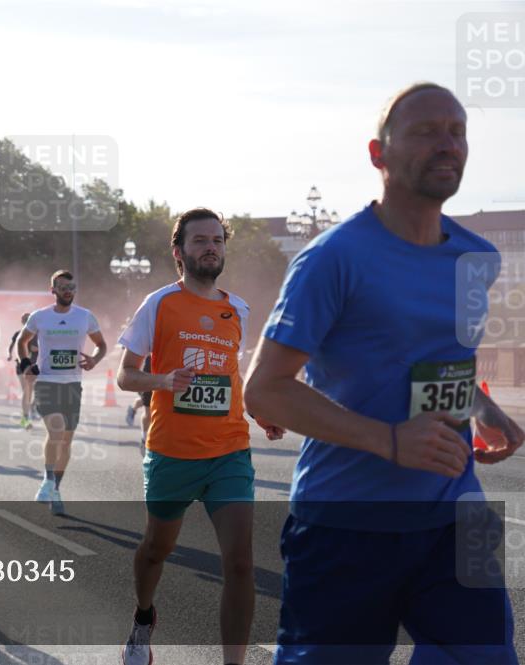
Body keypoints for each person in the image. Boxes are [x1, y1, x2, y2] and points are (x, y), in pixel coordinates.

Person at [244, 83, 523, 664]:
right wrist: (389, 440)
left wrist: (484, 409)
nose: (447, 144)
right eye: (425, 131)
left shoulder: (478, 258)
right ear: (379, 155)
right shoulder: (334, 258)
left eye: (457, 131)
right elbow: (264, 391)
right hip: (347, 526)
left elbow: (437, 358)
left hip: (452, 516)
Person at [117, 208, 282, 665]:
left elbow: (233, 378)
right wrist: (164, 381)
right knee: (156, 551)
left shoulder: (239, 310)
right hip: (171, 452)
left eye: (217, 240)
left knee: (241, 562)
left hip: (229, 450)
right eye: (200, 241)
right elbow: (125, 377)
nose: (211, 247)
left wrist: (260, 412)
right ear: (179, 252)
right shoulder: (159, 304)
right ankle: (143, 618)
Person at [17, 270, 107, 515]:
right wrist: (27, 365)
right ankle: (47, 480)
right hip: (47, 382)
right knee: (55, 429)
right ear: (53, 290)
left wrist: (94, 360)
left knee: (66, 441)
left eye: (71, 286)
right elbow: (22, 342)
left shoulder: (85, 317)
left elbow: (102, 345)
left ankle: (54, 488)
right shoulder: (40, 317)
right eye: (62, 286)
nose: (68, 290)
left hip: (73, 385)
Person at [8, 313, 39, 429]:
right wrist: (9, 355)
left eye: (29, 319)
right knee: (27, 390)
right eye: (25, 320)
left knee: (38, 391)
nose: (27, 322)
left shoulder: (37, 333)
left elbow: (46, 347)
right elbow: (12, 346)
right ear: (22, 321)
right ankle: (25, 417)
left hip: (36, 365)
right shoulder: (18, 334)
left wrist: (38, 349)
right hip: (22, 366)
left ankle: (32, 407)